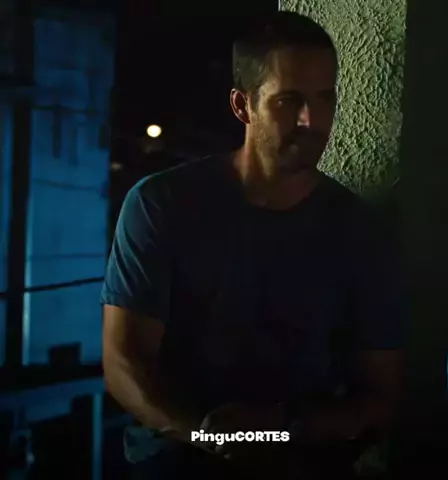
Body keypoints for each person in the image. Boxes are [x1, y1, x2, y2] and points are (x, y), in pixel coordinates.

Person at [101, 11, 406, 480]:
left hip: (302, 463)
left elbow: (382, 395)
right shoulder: (162, 204)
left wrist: (277, 431)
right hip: (177, 459)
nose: (312, 120)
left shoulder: (359, 231)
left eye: (325, 98)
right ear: (243, 105)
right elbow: (124, 363)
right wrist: (212, 437)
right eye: (289, 100)